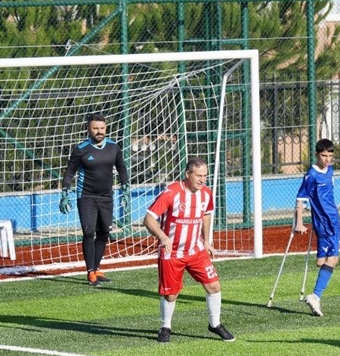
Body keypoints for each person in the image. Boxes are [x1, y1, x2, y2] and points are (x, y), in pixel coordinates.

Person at [143, 158, 234, 343]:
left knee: (214, 286)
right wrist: (163, 237)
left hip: (196, 251)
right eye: (198, 175)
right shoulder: (171, 193)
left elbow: (206, 215)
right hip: (172, 253)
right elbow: (149, 219)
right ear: (187, 174)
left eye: (205, 176)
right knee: (170, 295)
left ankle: (215, 324)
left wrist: (207, 241)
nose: (202, 180)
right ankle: (165, 326)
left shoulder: (206, 193)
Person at [61, 114, 130, 288]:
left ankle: (97, 268)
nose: (99, 131)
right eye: (95, 128)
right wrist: (65, 193)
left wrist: (125, 188)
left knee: (104, 232)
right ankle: (90, 271)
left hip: (106, 196)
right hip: (86, 196)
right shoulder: (81, 149)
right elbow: (70, 171)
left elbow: (121, 167)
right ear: (88, 129)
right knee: (89, 231)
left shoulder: (114, 147)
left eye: (102, 128)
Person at [294, 138, 340, 317]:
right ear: (316, 155)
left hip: (332, 219)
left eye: (330, 156)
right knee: (333, 259)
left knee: (322, 262)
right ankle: (315, 296)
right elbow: (301, 199)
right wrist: (299, 222)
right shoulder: (311, 175)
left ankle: (316, 294)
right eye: (323, 156)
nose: (327, 159)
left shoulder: (330, 171)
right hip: (325, 222)